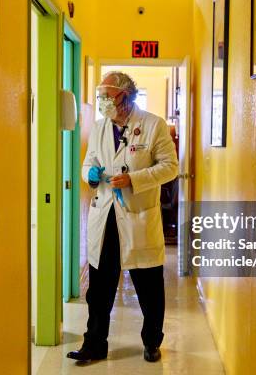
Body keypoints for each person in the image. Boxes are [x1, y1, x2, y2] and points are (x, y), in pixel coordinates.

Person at [67, 71, 178, 363]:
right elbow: (89, 162)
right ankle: (94, 344)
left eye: (108, 96)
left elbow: (170, 167)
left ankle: (152, 341)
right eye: (100, 96)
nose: (103, 102)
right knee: (99, 289)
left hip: (138, 218)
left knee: (149, 288)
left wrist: (134, 180)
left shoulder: (153, 126)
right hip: (106, 218)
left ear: (126, 97)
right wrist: (89, 175)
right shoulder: (101, 127)